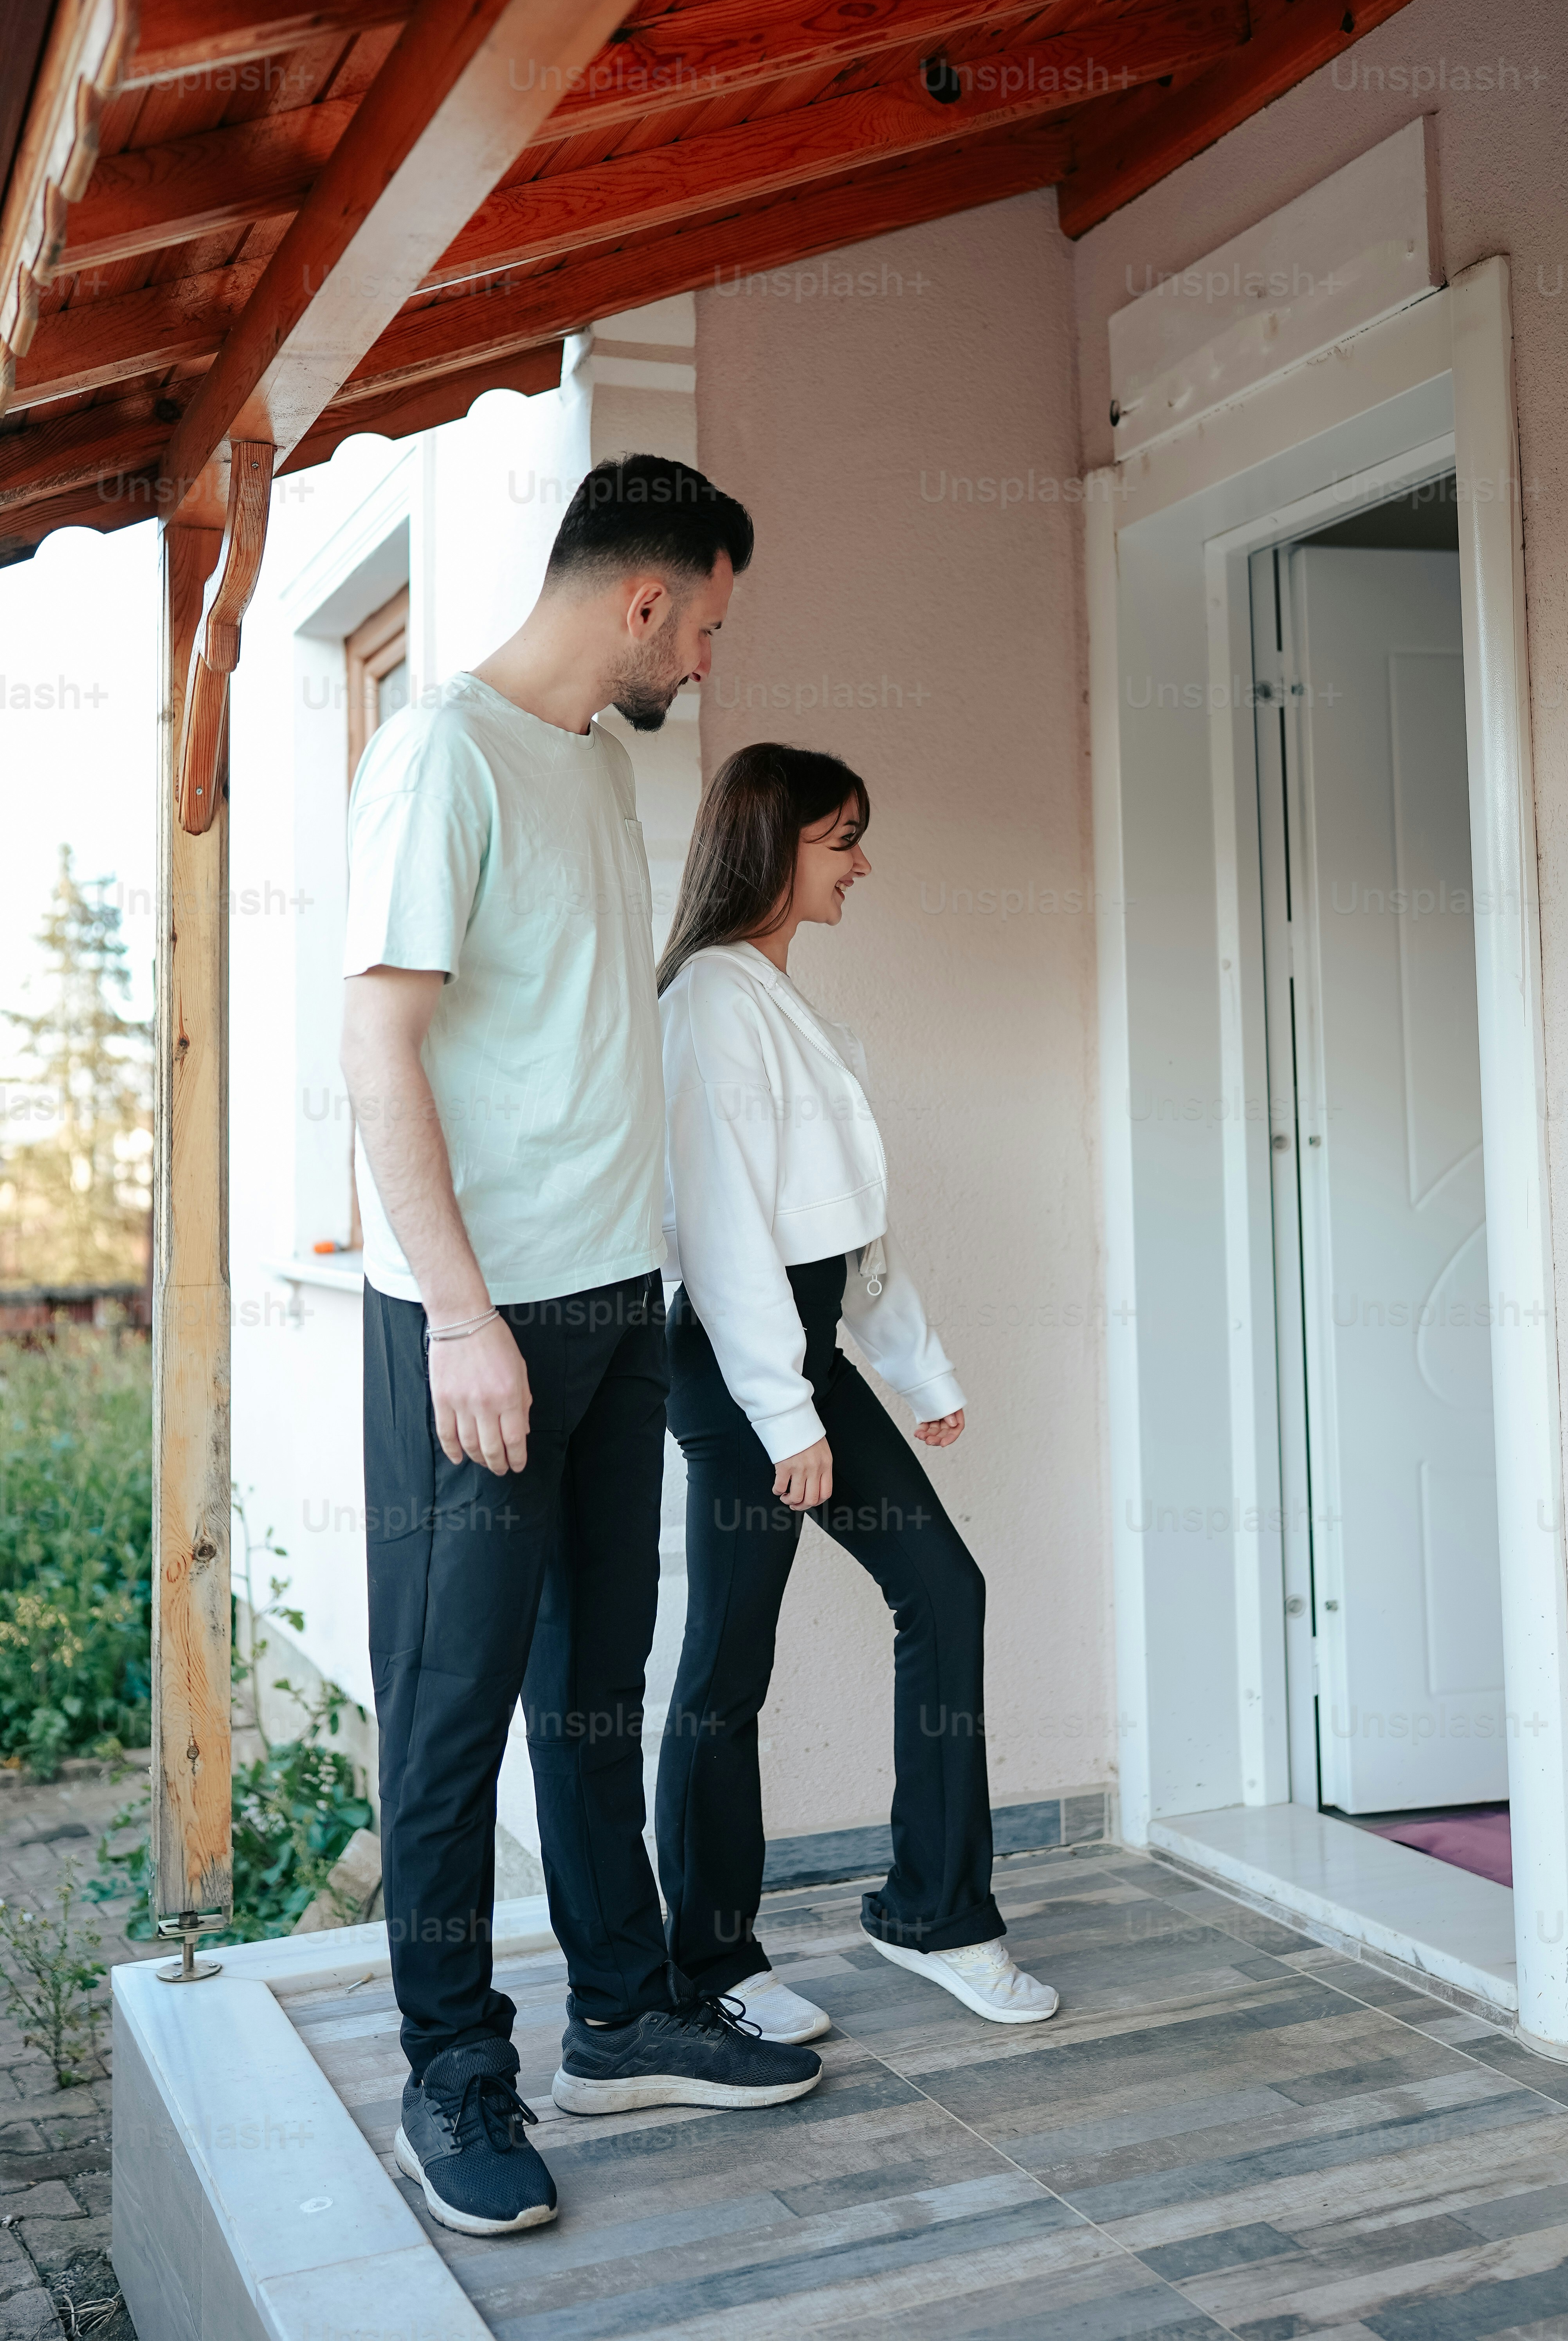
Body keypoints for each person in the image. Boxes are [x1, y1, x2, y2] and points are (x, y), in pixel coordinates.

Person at [339, 458, 822, 2244]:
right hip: (484, 1323)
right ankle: (455, 2064)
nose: (702, 654)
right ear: (645, 599)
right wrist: (461, 1312)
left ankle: (619, 2013)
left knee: (594, 1684)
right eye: (703, 620)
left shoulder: (596, 763)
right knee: (453, 1713)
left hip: (617, 1307)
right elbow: (379, 1049)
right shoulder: (440, 756)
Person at [654, 743, 1058, 2038]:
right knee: (728, 1663)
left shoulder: (800, 1016)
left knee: (944, 1589)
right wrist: (786, 1415)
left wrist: (915, 1371)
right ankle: (710, 1966)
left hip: (804, 1354)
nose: (863, 863)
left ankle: (935, 1915)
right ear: (774, 848)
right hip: (735, 1368)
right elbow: (722, 1231)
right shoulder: (711, 1002)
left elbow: (845, 1234)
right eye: (842, 839)